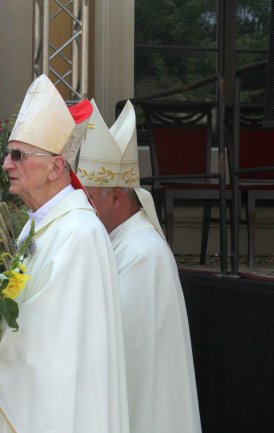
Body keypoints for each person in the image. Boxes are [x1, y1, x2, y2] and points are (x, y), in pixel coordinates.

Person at [0, 74, 130, 433]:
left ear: (56, 167)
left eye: (18, 155)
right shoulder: (35, 225)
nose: (6, 164)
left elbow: (58, 349)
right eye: (9, 153)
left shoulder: (80, 233)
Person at [77, 99, 202, 433]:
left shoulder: (144, 252)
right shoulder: (119, 241)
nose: (82, 208)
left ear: (117, 197)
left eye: (89, 198)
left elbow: (118, 342)